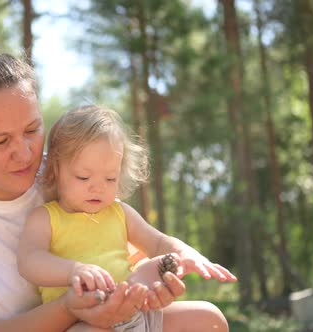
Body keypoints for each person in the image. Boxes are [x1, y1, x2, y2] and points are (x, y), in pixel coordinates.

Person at [0, 53, 187, 332]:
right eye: (0, 141)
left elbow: (125, 256)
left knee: (207, 320)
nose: (26, 154)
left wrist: (151, 286)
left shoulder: (69, 174)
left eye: (32, 129)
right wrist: (68, 308)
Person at [17, 105, 237, 331]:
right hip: (83, 322)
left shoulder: (119, 213)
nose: (98, 188)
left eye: (110, 178)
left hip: (136, 314)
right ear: (55, 169)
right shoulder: (47, 217)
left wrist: (184, 254)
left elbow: (158, 242)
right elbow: (29, 260)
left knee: (209, 318)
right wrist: (74, 270)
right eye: (83, 177)